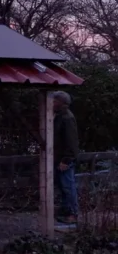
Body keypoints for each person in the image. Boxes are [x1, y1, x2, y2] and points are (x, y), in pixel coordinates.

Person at [52, 91, 79, 224]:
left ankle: (73, 214)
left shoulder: (67, 118)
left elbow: (71, 141)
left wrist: (66, 160)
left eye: (54, 101)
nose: (52, 103)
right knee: (63, 187)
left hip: (65, 160)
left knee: (68, 187)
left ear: (61, 103)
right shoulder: (59, 116)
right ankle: (66, 211)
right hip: (59, 158)